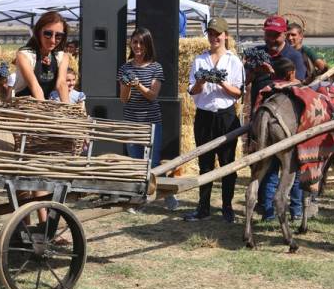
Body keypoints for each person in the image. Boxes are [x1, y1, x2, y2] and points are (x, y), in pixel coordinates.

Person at [183, 18, 243, 223]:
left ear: (225, 35)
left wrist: (222, 83)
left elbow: (238, 93)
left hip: (226, 116)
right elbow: (192, 90)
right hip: (204, 116)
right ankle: (203, 208)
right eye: (210, 33)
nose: (214, 37)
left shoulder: (234, 61)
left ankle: (227, 207)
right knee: (205, 163)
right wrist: (201, 81)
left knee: (228, 163)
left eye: (218, 34)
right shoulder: (200, 60)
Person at [246, 15, 305, 221]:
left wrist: (277, 82)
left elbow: (301, 83)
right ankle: (269, 213)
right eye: (267, 34)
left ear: (284, 34)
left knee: (292, 167)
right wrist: (254, 71)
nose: (270, 38)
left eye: (275, 35)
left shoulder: (294, 55)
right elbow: (246, 81)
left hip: (288, 117)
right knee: (265, 166)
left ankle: (295, 211)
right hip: (260, 116)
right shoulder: (257, 53)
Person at [117, 27, 178, 211]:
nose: (138, 46)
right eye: (135, 42)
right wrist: (128, 85)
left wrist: (138, 85)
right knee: (135, 162)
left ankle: (168, 195)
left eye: (141, 43)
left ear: (147, 45)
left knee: (153, 161)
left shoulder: (155, 67)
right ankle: (137, 200)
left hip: (151, 122)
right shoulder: (125, 68)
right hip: (131, 121)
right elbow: (123, 99)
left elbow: (152, 95)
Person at [13, 11, 70, 102]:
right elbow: (34, 86)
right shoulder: (24, 55)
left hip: (44, 103)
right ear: (39, 32)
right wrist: (43, 109)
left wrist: (68, 108)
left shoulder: (62, 56)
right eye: (48, 34)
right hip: (23, 106)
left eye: (59, 36)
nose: (53, 40)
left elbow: (61, 84)